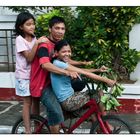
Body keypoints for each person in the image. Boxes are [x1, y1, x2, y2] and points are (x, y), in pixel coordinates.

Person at [30, 16, 81, 134]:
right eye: (57, 28)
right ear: (50, 29)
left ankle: (56, 124)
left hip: (54, 83)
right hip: (43, 85)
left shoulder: (58, 45)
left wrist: (84, 64)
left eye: (62, 28)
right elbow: (45, 65)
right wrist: (67, 72)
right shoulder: (44, 45)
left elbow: (66, 61)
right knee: (56, 111)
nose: (60, 31)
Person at [50, 39, 116, 112]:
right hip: (67, 101)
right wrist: (107, 80)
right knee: (99, 93)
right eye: (64, 52)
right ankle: (105, 121)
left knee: (91, 111)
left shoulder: (61, 62)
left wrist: (98, 70)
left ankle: (99, 123)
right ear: (56, 53)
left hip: (71, 96)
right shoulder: (59, 64)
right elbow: (85, 73)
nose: (67, 54)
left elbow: (81, 71)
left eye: (69, 51)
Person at [14, 11, 47, 134]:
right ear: (21, 27)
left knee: (36, 101)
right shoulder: (20, 40)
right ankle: (28, 130)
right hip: (23, 76)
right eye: (28, 24)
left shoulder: (34, 38)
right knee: (27, 102)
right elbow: (29, 58)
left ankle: (37, 127)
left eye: (33, 24)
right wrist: (37, 43)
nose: (32, 26)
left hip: (34, 76)